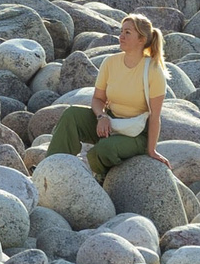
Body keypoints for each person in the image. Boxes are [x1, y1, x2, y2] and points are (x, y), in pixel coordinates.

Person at [42, 13, 165, 177]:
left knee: (101, 151)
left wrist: (151, 150)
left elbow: (155, 116)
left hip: (136, 132)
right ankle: (51, 169)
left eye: (127, 32)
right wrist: (102, 116)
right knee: (72, 115)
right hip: (110, 122)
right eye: (121, 31)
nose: (121, 36)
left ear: (141, 40)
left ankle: (103, 179)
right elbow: (98, 99)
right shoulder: (110, 62)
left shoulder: (153, 70)